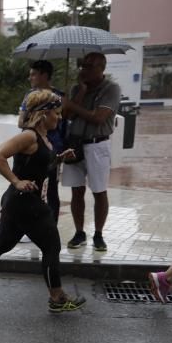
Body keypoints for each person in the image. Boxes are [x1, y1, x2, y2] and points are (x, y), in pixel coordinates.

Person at [0, 90, 86, 313]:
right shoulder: (29, 135)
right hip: (25, 202)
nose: (60, 117)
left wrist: (60, 159)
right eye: (56, 113)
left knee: (3, 243)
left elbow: (39, 166)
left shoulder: (44, 137)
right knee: (52, 245)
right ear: (43, 114)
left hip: (20, 202)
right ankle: (57, 299)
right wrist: (16, 181)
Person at [61, 52, 121, 252]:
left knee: (99, 191)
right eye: (83, 65)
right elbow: (66, 115)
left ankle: (98, 234)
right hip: (74, 144)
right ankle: (79, 232)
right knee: (76, 191)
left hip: (97, 145)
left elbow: (98, 118)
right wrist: (80, 93)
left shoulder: (111, 89)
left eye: (89, 66)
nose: (83, 69)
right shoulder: (78, 88)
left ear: (101, 68)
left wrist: (72, 106)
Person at [18, 60, 64, 224]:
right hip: (33, 151)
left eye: (33, 74)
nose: (30, 77)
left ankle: (51, 226)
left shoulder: (58, 96)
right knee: (30, 188)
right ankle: (30, 225)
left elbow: (61, 123)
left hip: (52, 150)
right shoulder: (30, 97)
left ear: (44, 75)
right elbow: (21, 122)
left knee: (51, 189)